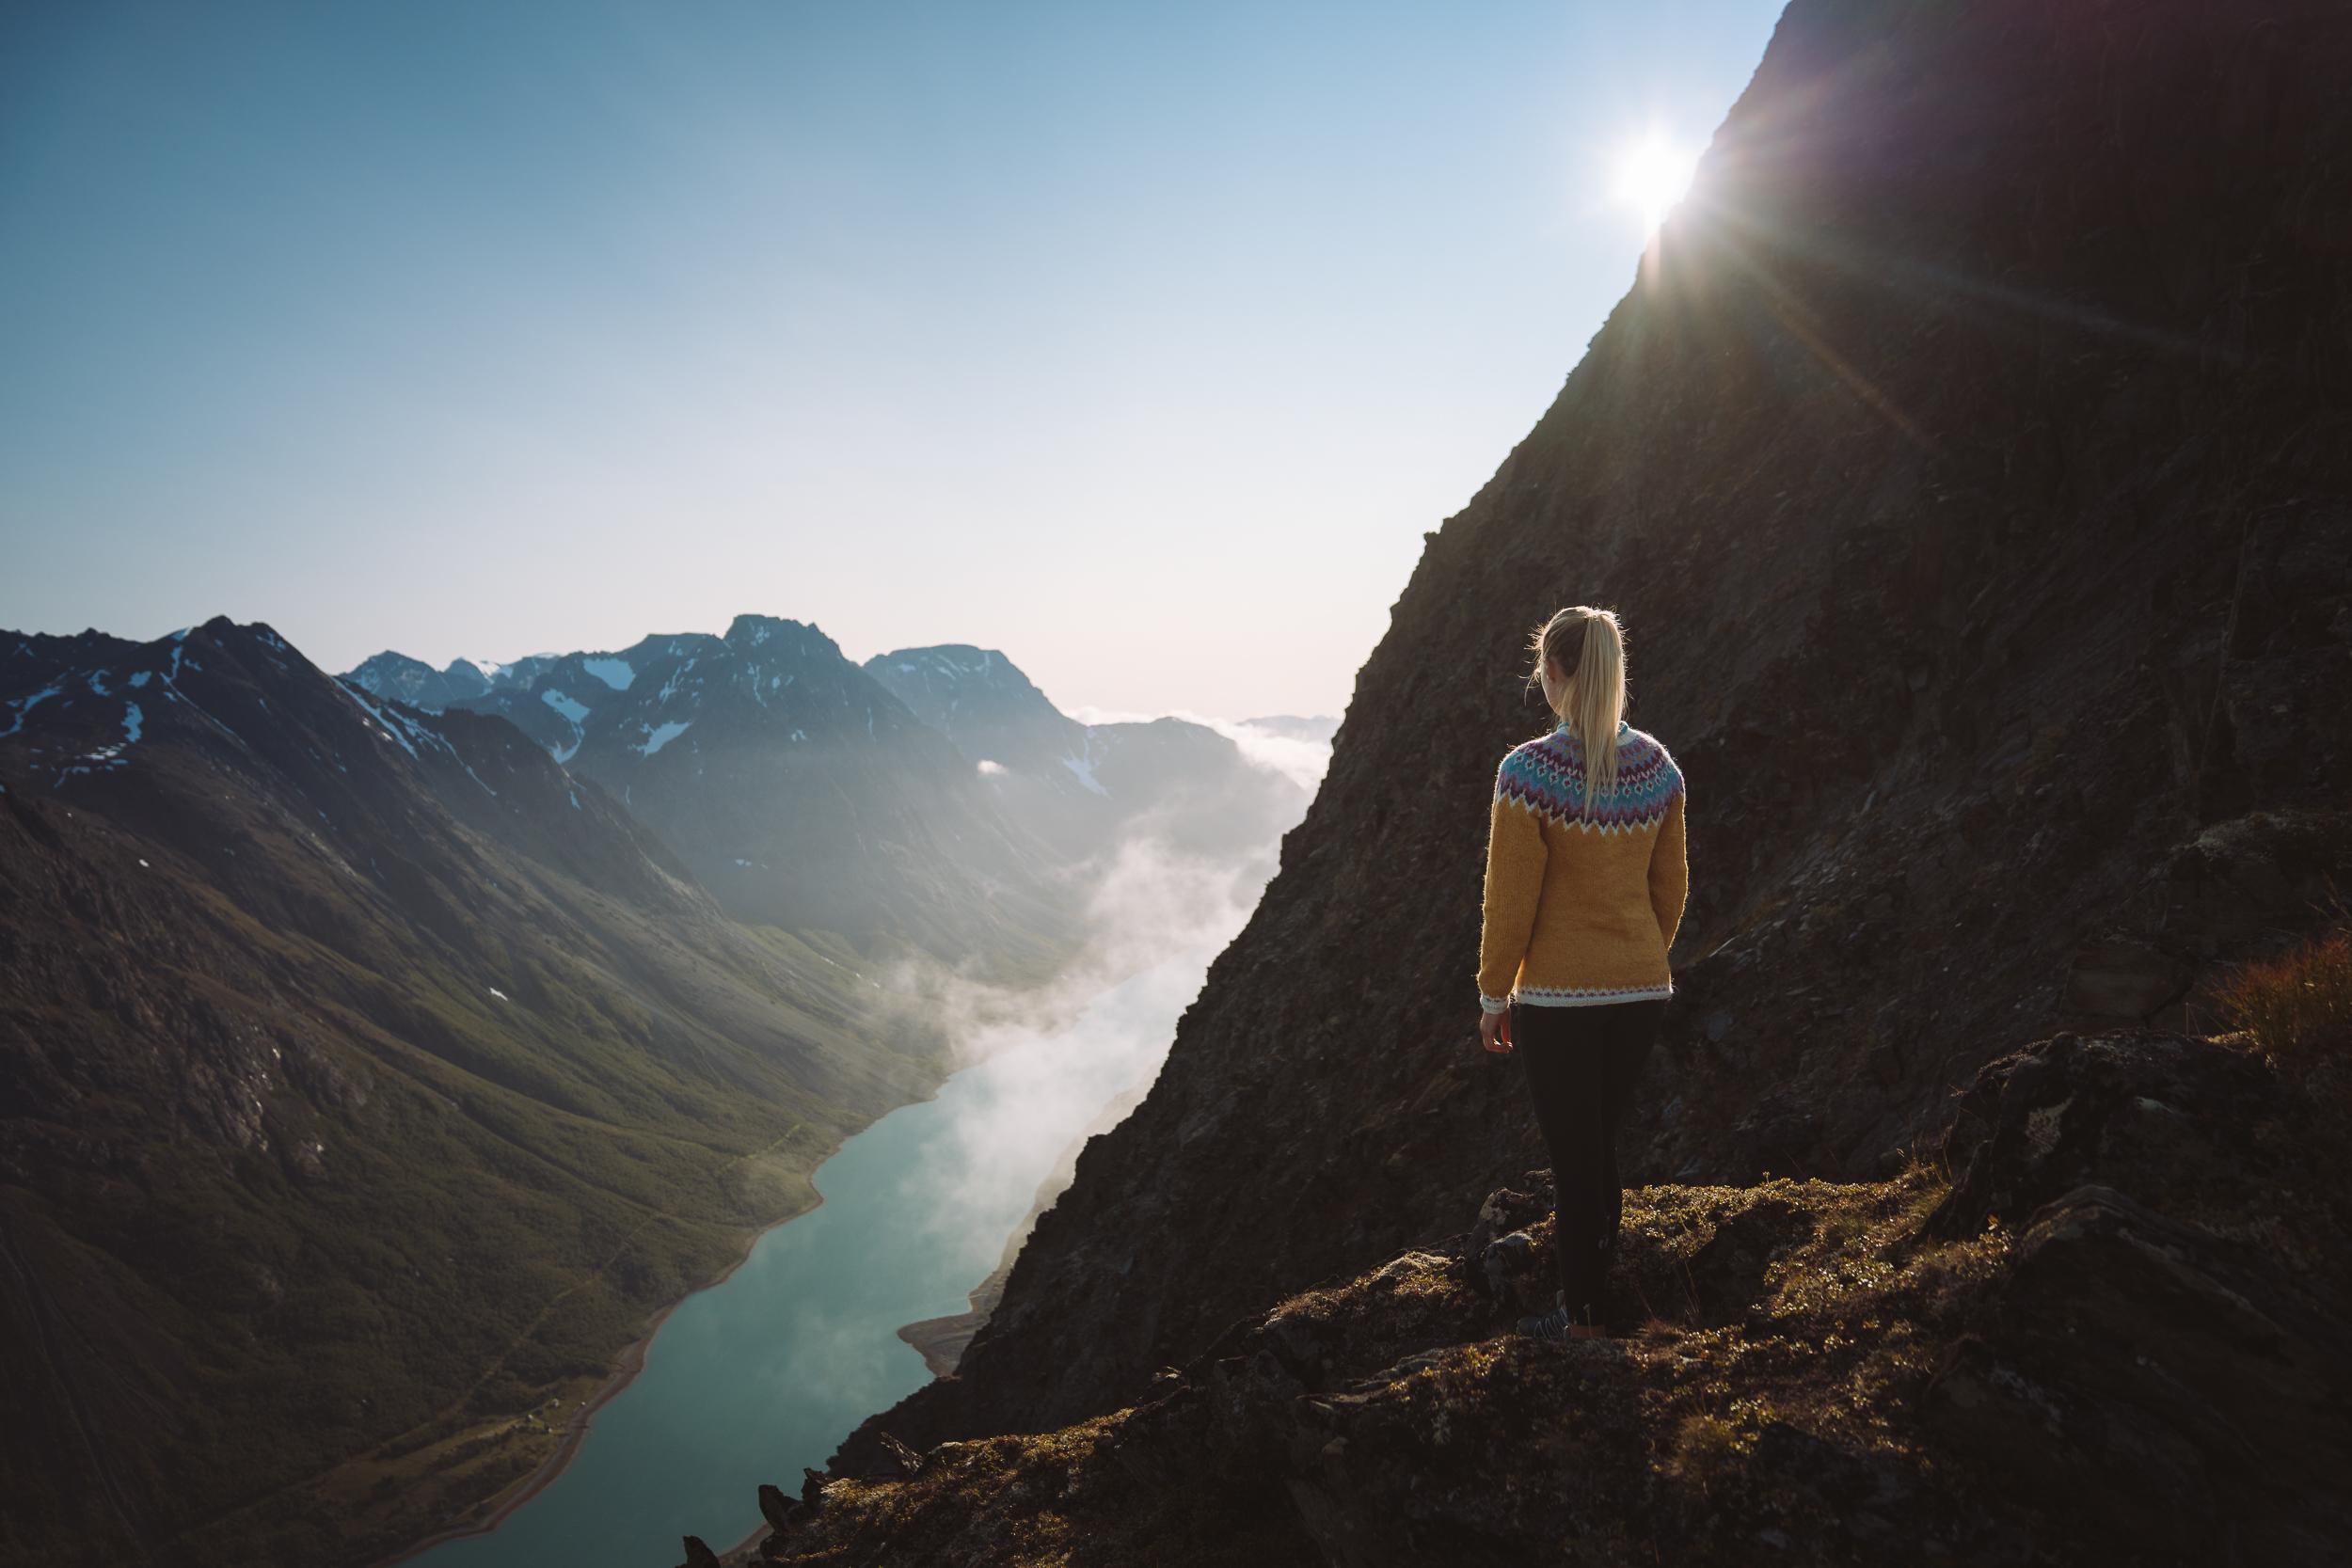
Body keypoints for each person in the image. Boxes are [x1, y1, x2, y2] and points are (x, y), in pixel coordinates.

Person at [1474, 605, 1688, 1342]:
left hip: (1560, 998)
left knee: (1574, 1162)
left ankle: (1586, 1321)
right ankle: (1601, 1288)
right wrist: (1638, 955)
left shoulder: (1527, 772)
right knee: (1597, 1145)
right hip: (1642, 990)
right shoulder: (1658, 766)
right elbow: (1672, 888)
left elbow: (1510, 901)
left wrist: (1493, 994)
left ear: (1555, 673)